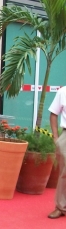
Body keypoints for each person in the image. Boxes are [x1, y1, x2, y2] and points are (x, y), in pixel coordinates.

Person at [47, 85, 66, 219]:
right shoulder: (63, 92)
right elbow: (53, 114)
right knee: (64, 172)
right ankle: (60, 207)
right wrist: (55, 137)